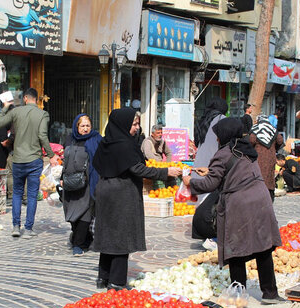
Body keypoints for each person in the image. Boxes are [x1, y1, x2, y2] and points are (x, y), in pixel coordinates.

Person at [184, 117, 284, 305]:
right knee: (263, 248)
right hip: (261, 199)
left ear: (224, 134)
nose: (216, 139)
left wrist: (191, 183)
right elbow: (235, 171)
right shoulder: (246, 147)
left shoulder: (223, 153)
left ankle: (239, 293)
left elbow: (210, 183)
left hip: (241, 203)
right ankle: (270, 293)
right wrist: (212, 170)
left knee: (235, 248)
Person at [92, 108, 182, 290]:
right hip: (121, 193)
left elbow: (97, 163)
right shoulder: (124, 145)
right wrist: (165, 172)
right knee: (121, 237)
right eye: (134, 124)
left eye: (137, 124)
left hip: (105, 190)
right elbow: (138, 169)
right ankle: (116, 282)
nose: (136, 128)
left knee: (109, 234)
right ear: (123, 124)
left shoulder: (106, 142)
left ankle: (103, 276)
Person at [0, 88, 60, 238]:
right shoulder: (43, 114)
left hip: (17, 159)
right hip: (34, 160)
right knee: (31, 195)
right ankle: (28, 229)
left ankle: (16, 226)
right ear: (36, 100)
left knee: (17, 193)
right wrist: (51, 155)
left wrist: (5, 107)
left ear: (25, 98)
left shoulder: (16, 112)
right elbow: (43, 135)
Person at [62, 114, 101, 256]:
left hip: (88, 183)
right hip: (70, 183)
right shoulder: (69, 139)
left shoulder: (96, 139)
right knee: (71, 213)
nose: (85, 129)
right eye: (82, 126)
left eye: (88, 126)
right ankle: (82, 238)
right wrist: (61, 177)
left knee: (85, 213)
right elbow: (65, 160)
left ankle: (77, 245)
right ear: (76, 126)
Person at [193, 98, 228, 202]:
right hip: (214, 162)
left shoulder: (202, 120)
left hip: (199, 163)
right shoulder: (222, 119)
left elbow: (196, 142)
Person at [249, 114, 280, 201]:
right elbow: (280, 140)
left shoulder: (256, 129)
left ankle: (258, 195)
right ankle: (269, 196)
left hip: (258, 157)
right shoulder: (272, 129)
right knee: (269, 176)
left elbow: (251, 140)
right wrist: (274, 148)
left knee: (259, 175)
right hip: (271, 158)